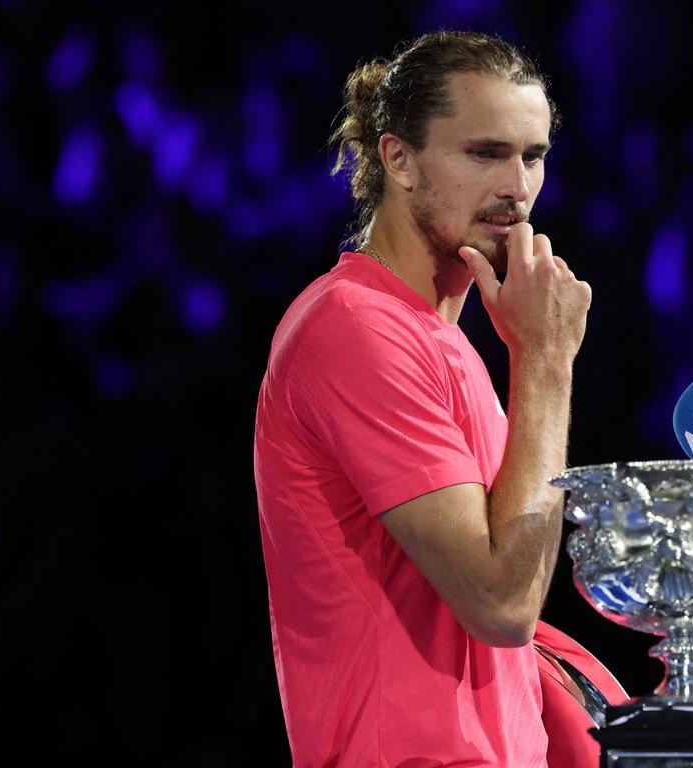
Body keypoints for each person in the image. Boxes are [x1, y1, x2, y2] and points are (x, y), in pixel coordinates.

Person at [254, 31, 619, 767]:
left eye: (534, 155)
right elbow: (502, 603)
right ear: (398, 160)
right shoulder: (354, 328)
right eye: (484, 153)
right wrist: (547, 362)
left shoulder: (443, 341)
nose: (517, 188)